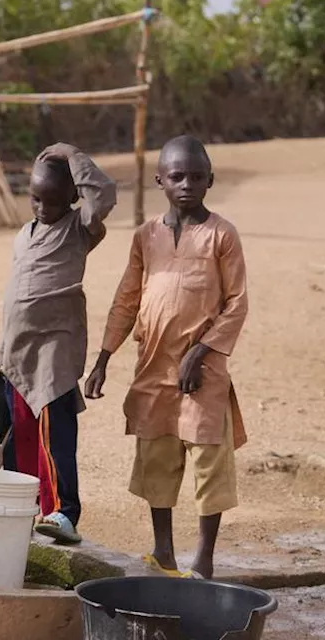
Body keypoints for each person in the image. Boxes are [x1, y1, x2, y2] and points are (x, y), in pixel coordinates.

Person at [84, 135, 249, 580]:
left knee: (209, 459)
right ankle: (164, 552)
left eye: (197, 176)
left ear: (210, 180)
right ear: (160, 180)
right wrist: (102, 358)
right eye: (177, 176)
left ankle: (205, 560)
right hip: (153, 366)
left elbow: (237, 303)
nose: (187, 184)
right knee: (157, 455)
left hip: (204, 371)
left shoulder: (221, 235)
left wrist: (203, 349)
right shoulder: (145, 236)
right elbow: (126, 298)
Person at [0, 143, 116, 546]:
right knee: (21, 436)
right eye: (36, 199)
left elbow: (105, 194)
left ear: (73, 198)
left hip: (53, 355)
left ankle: (63, 512)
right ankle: (27, 505)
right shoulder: (25, 233)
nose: (42, 208)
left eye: (53, 201)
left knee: (54, 434)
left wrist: (74, 155)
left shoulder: (80, 230)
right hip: (17, 355)